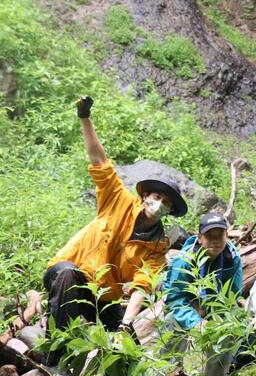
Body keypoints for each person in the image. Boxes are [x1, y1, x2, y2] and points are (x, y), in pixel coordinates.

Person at [45, 96, 188, 334]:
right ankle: (52, 355)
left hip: (103, 294)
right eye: (157, 197)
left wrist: (127, 321)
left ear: (169, 211)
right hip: (68, 273)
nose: (159, 203)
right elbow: (99, 161)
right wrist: (85, 118)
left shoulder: (157, 248)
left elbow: (142, 285)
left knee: (123, 338)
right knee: (68, 274)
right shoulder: (118, 200)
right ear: (145, 196)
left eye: (165, 203)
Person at [164, 212, 244, 329]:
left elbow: (233, 295)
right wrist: (195, 322)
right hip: (187, 307)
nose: (215, 241)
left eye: (219, 235)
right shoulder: (184, 261)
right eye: (209, 236)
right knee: (172, 321)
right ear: (200, 238)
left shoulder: (232, 258)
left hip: (215, 306)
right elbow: (174, 300)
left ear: (226, 235)